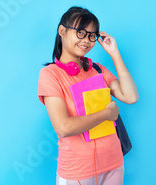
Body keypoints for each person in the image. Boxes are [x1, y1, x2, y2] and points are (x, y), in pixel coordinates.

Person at [37, 6, 139, 185]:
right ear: (62, 30)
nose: (87, 40)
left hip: (113, 164)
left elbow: (130, 97)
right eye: (81, 32)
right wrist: (107, 115)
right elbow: (64, 127)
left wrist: (115, 54)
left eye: (92, 35)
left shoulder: (98, 69)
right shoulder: (50, 75)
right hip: (77, 171)